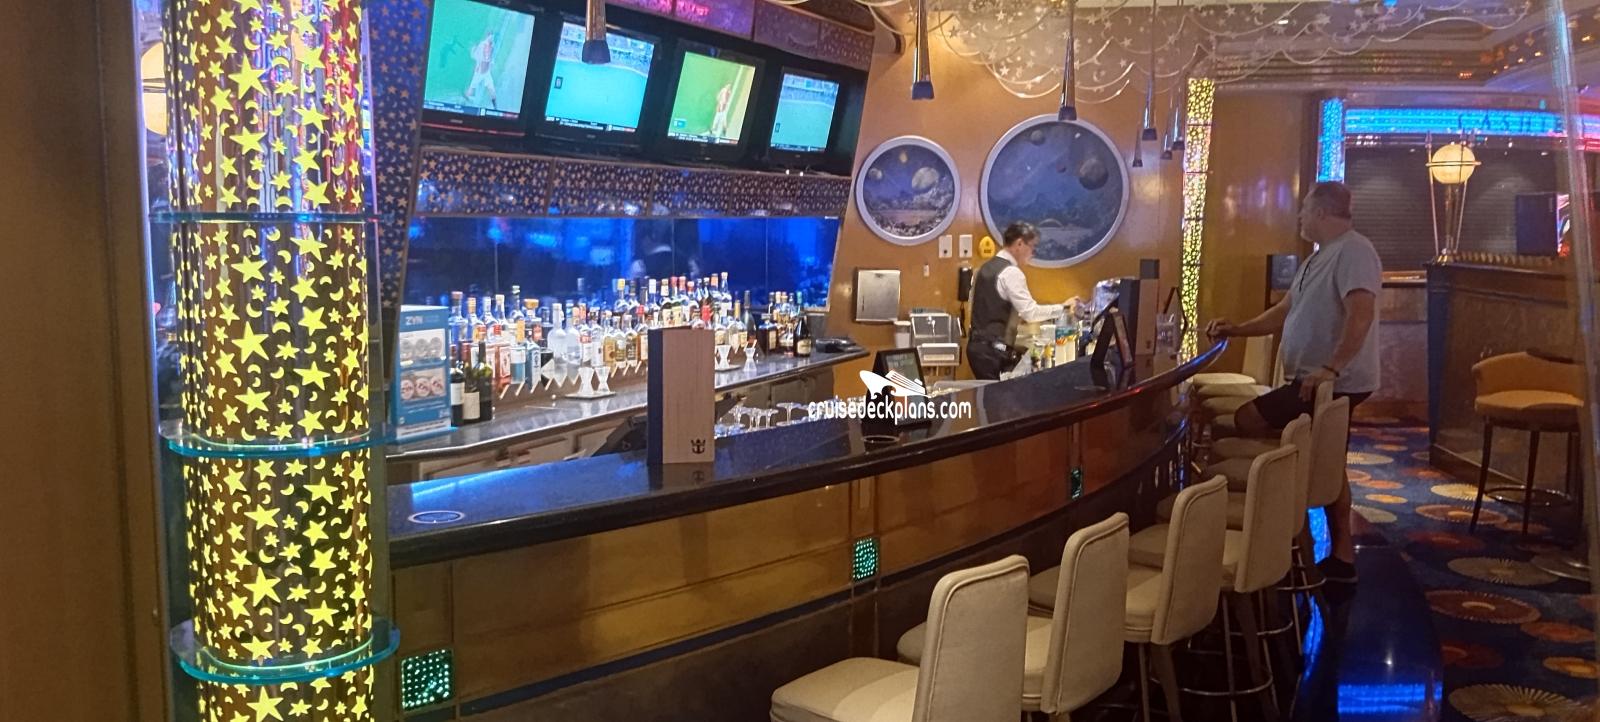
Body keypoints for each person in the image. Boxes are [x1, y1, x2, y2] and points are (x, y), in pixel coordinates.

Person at [1206, 180, 1381, 585]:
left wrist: (1331, 368)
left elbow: (1361, 314)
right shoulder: (1318, 257)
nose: (1299, 216)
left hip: (1332, 383)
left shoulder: (1354, 251)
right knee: (1327, 462)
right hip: (1312, 380)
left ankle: (1284, 512)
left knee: (1250, 419)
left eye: (1304, 209)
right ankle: (1333, 549)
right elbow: (1283, 312)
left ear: (1321, 212)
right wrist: (1238, 329)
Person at [967, 222, 1065, 380]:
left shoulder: (983, 268)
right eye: (1032, 246)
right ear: (1019, 244)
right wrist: (1063, 308)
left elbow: (984, 308)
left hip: (977, 348)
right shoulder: (1011, 273)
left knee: (988, 393)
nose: (1033, 253)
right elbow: (1030, 313)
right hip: (994, 351)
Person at [465, 31, 499, 109]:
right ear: (487, 36)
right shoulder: (482, 45)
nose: (492, 38)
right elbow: (475, 56)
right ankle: (463, 103)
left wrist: (491, 62)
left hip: (487, 73)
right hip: (479, 72)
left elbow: (491, 57)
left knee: (492, 89)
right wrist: (474, 52)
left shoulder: (492, 45)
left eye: (493, 37)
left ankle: (495, 108)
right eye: (491, 37)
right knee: (471, 89)